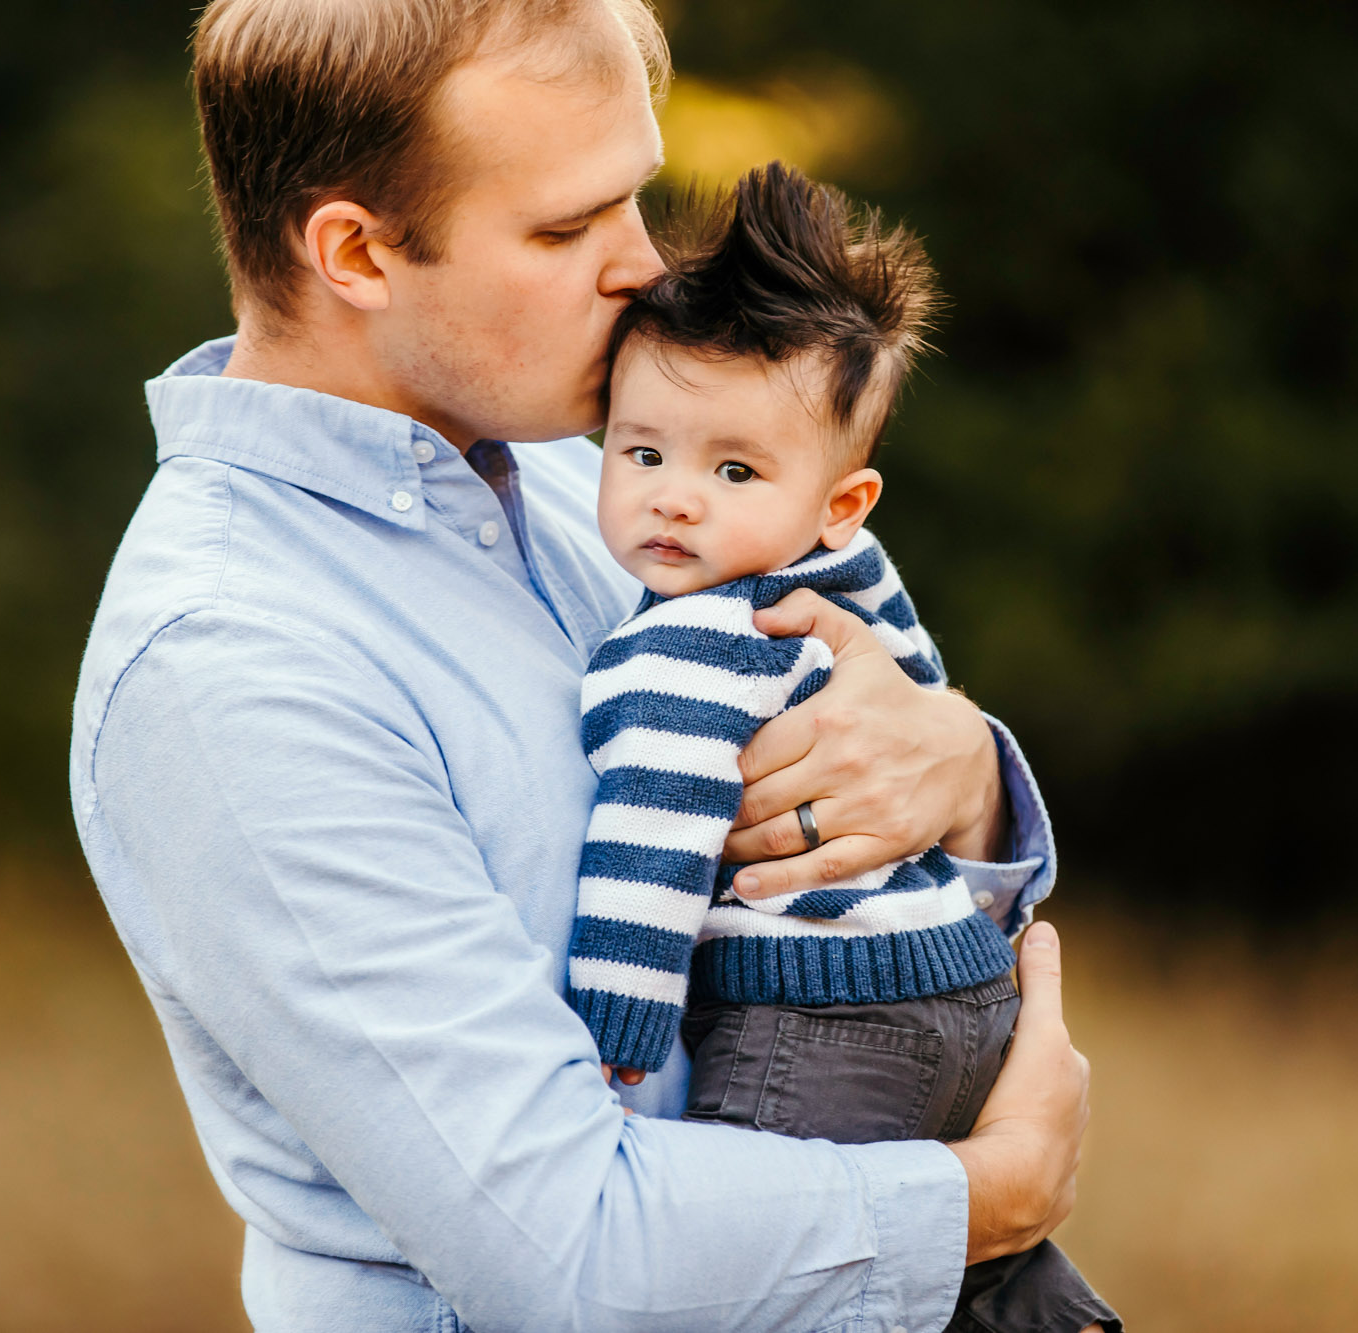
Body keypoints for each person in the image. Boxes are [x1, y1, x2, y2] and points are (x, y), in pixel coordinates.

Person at [68, 0, 1097, 1329]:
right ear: (356, 251)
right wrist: (986, 1200)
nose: (643, 270)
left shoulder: (603, 470)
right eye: (565, 229)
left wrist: (958, 764)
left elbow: (868, 696)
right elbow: (565, 1251)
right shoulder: (231, 664)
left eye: (638, 201)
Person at [567, 161, 1121, 1333]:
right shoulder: (853, 581)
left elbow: (650, 848)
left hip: (815, 1015)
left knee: (758, 1263)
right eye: (640, 453)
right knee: (961, 1262)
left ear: (841, 500)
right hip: (963, 993)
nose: (672, 501)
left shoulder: (680, 643)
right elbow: (920, 708)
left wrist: (615, 1027)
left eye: (732, 471)